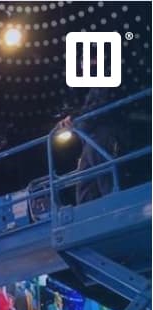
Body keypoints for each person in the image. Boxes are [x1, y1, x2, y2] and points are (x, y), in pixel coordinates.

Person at [58, 48, 119, 205]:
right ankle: (86, 213)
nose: (83, 67)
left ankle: (115, 205)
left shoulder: (107, 77)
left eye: (85, 62)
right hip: (90, 141)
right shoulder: (92, 88)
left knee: (106, 180)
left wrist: (77, 119)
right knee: (85, 184)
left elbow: (99, 108)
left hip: (103, 135)